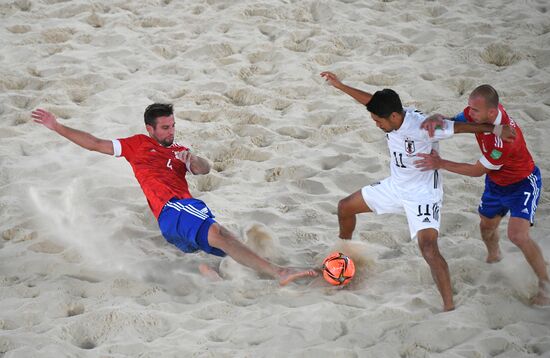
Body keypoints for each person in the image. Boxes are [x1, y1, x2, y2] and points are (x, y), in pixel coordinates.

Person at [31, 104, 317, 285]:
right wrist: (57, 126)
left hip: (180, 218)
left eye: (173, 126)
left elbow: (205, 170)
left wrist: (191, 158)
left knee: (232, 243)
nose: (170, 131)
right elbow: (94, 143)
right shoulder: (136, 145)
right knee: (221, 236)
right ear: (149, 128)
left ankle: (214, 272)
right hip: (173, 209)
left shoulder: (178, 149)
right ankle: (280, 272)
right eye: (165, 127)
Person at [320, 72, 515, 311]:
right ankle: (344, 256)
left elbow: (462, 127)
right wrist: (340, 86)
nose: (376, 123)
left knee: (429, 249)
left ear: (393, 115)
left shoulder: (424, 127)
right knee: (345, 207)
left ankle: (449, 307)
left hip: (423, 194)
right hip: (395, 186)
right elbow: (370, 100)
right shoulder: (391, 114)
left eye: (378, 120)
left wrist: (495, 131)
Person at [414, 84, 550, 305]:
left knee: (518, 235)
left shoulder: (505, 139)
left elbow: (477, 171)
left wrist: (440, 163)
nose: (470, 113)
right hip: (496, 184)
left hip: (522, 184)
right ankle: (494, 255)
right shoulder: (479, 114)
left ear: (492, 113)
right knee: (486, 226)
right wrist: (439, 120)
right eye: (470, 108)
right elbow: (460, 122)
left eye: (475, 110)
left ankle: (546, 286)